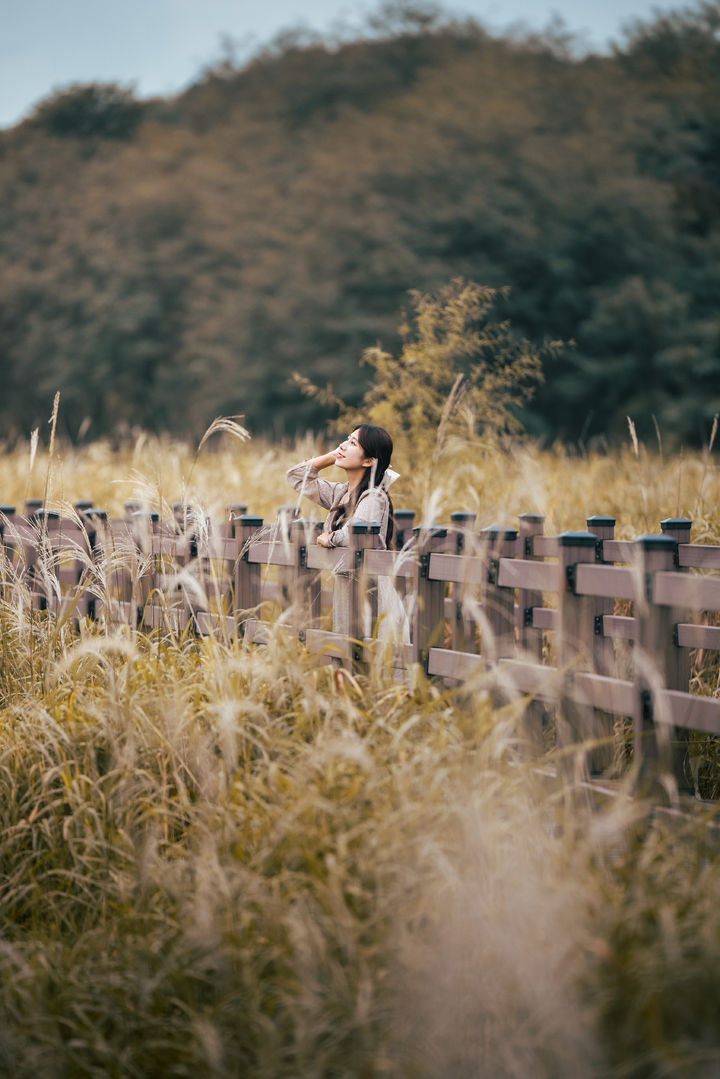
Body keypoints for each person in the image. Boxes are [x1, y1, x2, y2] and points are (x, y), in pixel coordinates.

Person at [287, 424, 406, 639]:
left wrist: (328, 539)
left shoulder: (375, 497)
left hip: (372, 593)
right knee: (347, 658)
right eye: (346, 439)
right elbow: (296, 477)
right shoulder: (341, 493)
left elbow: (356, 533)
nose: (343, 445)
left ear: (368, 460)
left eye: (353, 443)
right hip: (347, 589)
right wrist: (335, 455)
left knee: (373, 660)